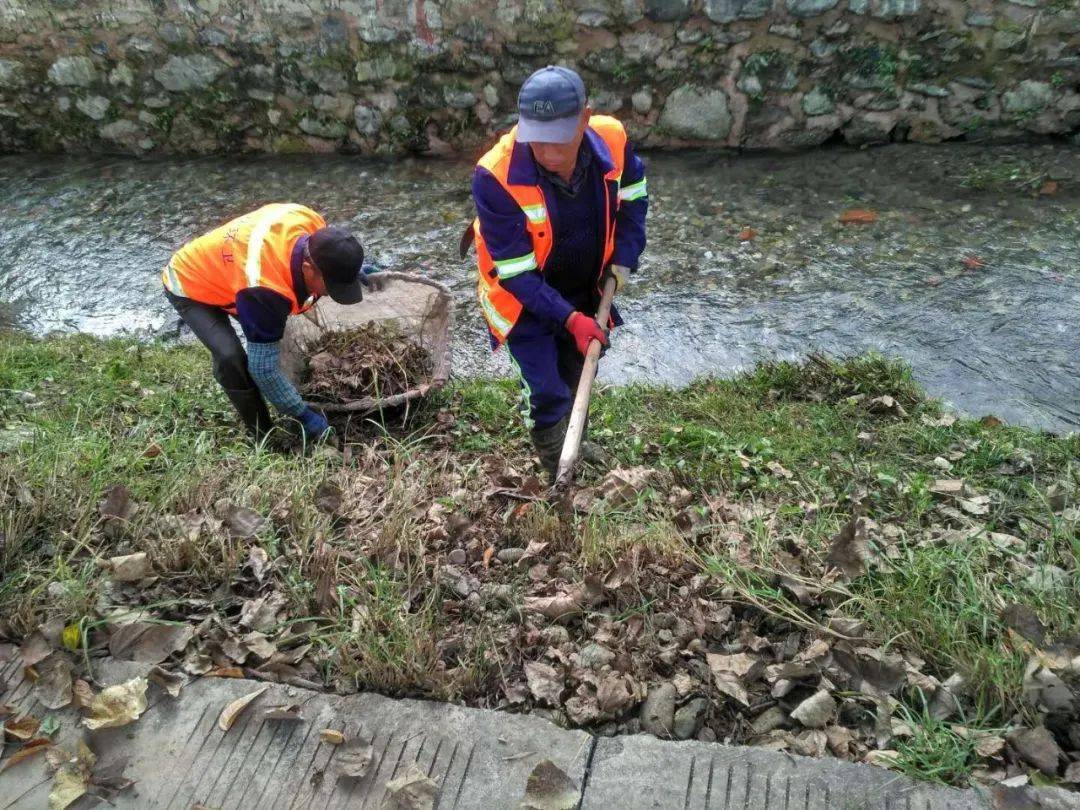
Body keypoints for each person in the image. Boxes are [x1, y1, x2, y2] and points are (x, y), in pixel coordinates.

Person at [469, 66, 648, 475]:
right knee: (546, 389)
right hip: (522, 298)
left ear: (585, 118)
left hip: (584, 284)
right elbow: (515, 273)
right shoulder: (494, 175)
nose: (548, 155)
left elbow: (635, 196)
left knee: (577, 368)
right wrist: (569, 319)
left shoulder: (613, 139)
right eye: (538, 141)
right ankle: (555, 465)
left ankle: (575, 442)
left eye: (559, 141)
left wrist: (624, 255)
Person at [161, 203, 371, 442]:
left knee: (264, 335)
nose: (330, 293)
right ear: (307, 269)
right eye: (331, 287)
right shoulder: (264, 291)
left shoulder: (310, 221)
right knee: (232, 358)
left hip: (231, 271)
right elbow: (264, 370)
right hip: (189, 283)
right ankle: (262, 434)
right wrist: (303, 415)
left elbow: (332, 251)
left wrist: (349, 272)